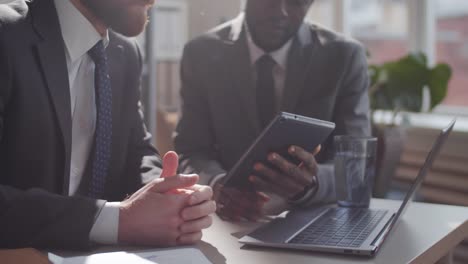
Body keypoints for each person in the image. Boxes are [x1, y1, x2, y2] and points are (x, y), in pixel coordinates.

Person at [0, 0, 215, 249]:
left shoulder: (124, 52)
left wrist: (165, 195)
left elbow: (135, 150)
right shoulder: (6, 37)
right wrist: (117, 221)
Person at [174, 0, 371, 220]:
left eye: (297, 2)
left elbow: (354, 164)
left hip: (310, 218)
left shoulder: (343, 56)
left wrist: (311, 183)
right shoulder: (201, 54)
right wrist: (216, 185)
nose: (281, 12)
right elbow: (191, 150)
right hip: (226, 220)